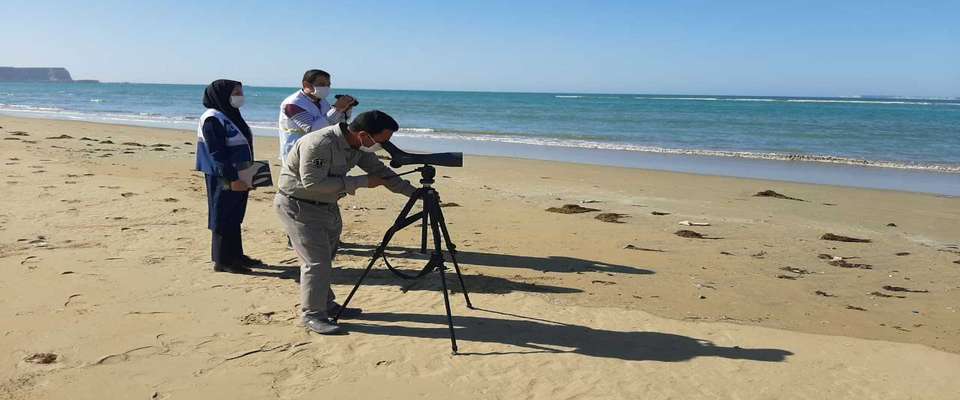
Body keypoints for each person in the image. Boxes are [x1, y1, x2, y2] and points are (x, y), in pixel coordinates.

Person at [274, 110, 416, 334]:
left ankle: (325, 304)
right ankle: (313, 315)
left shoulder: (358, 147)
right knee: (316, 263)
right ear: (363, 135)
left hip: (327, 206)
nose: (384, 146)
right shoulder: (319, 143)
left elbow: (382, 172)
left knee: (325, 260)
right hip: (299, 205)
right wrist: (362, 182)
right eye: (382, 141)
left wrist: (414, 193)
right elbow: (312, 183)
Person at [195, 79, 264, 273]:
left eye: (240, 92)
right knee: (222, 215)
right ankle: (222, 260)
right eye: (235, 92)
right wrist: (231, 179)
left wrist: (250, 174)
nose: (240, 96)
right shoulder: (212, 117)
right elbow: (216, 153)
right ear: (221, 94)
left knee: (235, 215)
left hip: (242, 170)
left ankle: (236, 255)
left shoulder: (231, 114)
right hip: (223, 174)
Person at [278, 69, 358, 164]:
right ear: (306, 85)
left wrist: (346, 110)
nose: (326, 87)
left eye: (328, 85)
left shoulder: (322, 101)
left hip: (318, 149)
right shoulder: (292, 104)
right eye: (321, 84)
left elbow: (334, 124)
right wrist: (336, 108)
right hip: (296, 151)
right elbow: (314, 129)